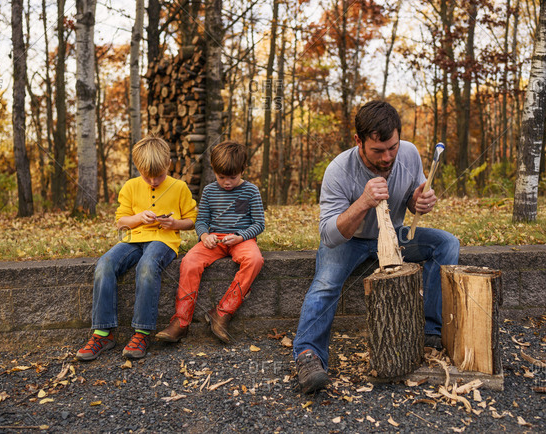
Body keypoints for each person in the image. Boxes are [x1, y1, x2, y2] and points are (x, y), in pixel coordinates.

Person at [293, 101, 460, 393]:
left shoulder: (407, 153)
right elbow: (330, 235)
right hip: (349, 241)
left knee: (447, 244)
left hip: (393, 235)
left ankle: (431, 332)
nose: (387, 157)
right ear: (358, 141)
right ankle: (308, 355)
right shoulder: (338, 171)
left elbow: (412, 195)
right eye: (378, 150)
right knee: (325, 284)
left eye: (392, 147)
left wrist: (419, 201)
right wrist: (362, 202)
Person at [76, 136, 197, 361]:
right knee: (105, 264)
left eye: (159, 176)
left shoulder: (179, 187)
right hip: (132, 239)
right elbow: (121, 222)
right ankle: (103, 333)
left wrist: (175, 224)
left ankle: (142, 332)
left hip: (164, 241)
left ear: (168, 165)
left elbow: (192, 220)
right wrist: (139, 217)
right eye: (146, 175)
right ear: (138, 169)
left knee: (147, 266)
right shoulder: (130, 186)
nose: (152, 181)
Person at [156, 141, 265, 344]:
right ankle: (180, 322)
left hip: (241, 239)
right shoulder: (209, 191)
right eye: (221, 177)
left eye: (233, 177)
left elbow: (259, 224)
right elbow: (202, 220)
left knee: (255, 260)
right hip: (213, 240)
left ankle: (222, 312)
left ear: (243, 170)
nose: (227, 182)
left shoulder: (251, 191)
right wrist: (205, 236)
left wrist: (241, 236)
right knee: (190, 262)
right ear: (214, 171)